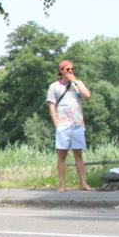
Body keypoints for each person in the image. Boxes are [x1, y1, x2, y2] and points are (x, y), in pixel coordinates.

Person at [47, 59, 92, 192]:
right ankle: (62, 185)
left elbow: (87, 95)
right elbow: (51, 105)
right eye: (68, 69)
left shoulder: (77, 84)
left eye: (72, 69)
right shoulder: (54, 86)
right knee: (62, 155)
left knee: (79, 154)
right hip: (63, 125)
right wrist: (56, 122)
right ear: (61, 71)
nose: (71, 71)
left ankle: (83, 183)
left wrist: (75, 81)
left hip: (77, 124)